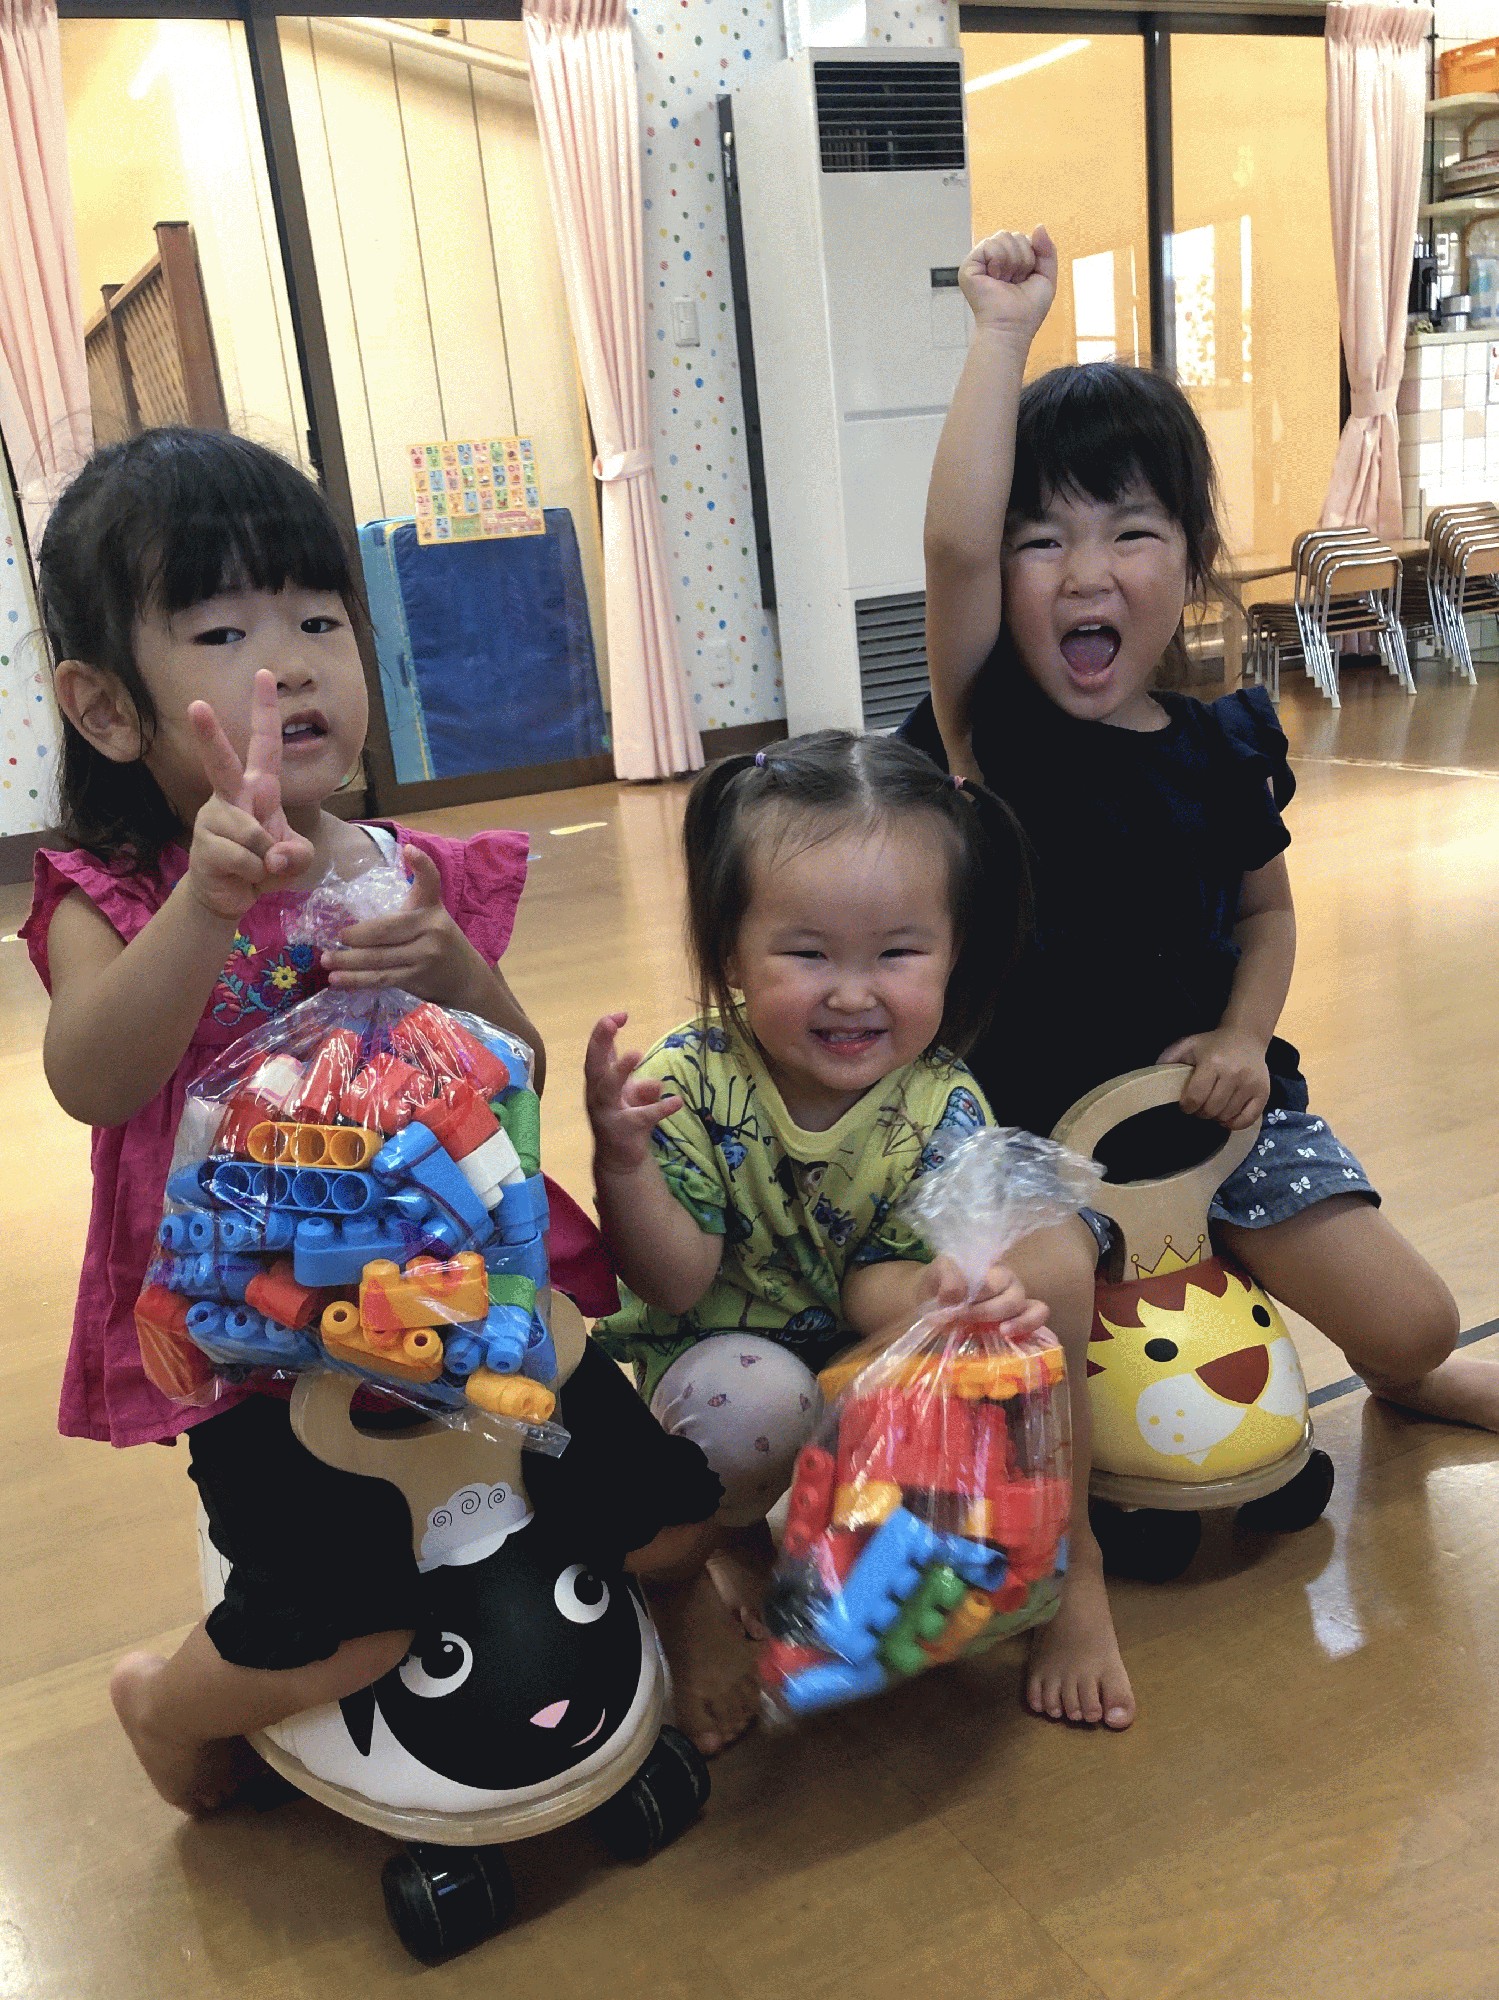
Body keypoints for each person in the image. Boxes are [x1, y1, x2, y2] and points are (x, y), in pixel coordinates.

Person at [22, 427, 716, 1815]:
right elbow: (94, 1080)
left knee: (663, 1515)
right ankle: (164, 1705)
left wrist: (452, 966)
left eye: (318, 618)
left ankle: (692, 1614)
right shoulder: (113, 895)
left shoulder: (402, 869)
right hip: (249, 1332)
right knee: (345, 1627)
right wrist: (202, 906)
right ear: (107, 709)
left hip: (458, 1289)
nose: (287, 664)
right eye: (224, 631)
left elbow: (509, 1070)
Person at [907, 225, 1499, 1733]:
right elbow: (951, 550)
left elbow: (1265, 914)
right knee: (1038, 1329)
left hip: (1215, 1123)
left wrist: (1243, 1035)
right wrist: (999, 335)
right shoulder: (989, 733)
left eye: (1129, 532)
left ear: (1187, 559)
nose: (1083, 573)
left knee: (1415, 1326)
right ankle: (1067, 1572)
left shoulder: (1224, 740)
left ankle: (1393, 1378)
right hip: (1035, 1144)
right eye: (1043, 541)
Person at [584, 729, 1057, 1755]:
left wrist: (943, 1292)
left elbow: (869, 1288)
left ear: (954, 950)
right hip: (718, 1375)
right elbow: (673, 1279)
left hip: (849, 1368)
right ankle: (697, 1567)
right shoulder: (689, 1080)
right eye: (806, 954)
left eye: (897, 953)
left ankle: (825, 1559)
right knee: (756, 1402)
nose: (852, 992)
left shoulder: (941, 1101)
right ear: (729, 953)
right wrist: (621, 1163)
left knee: (975, 1379)